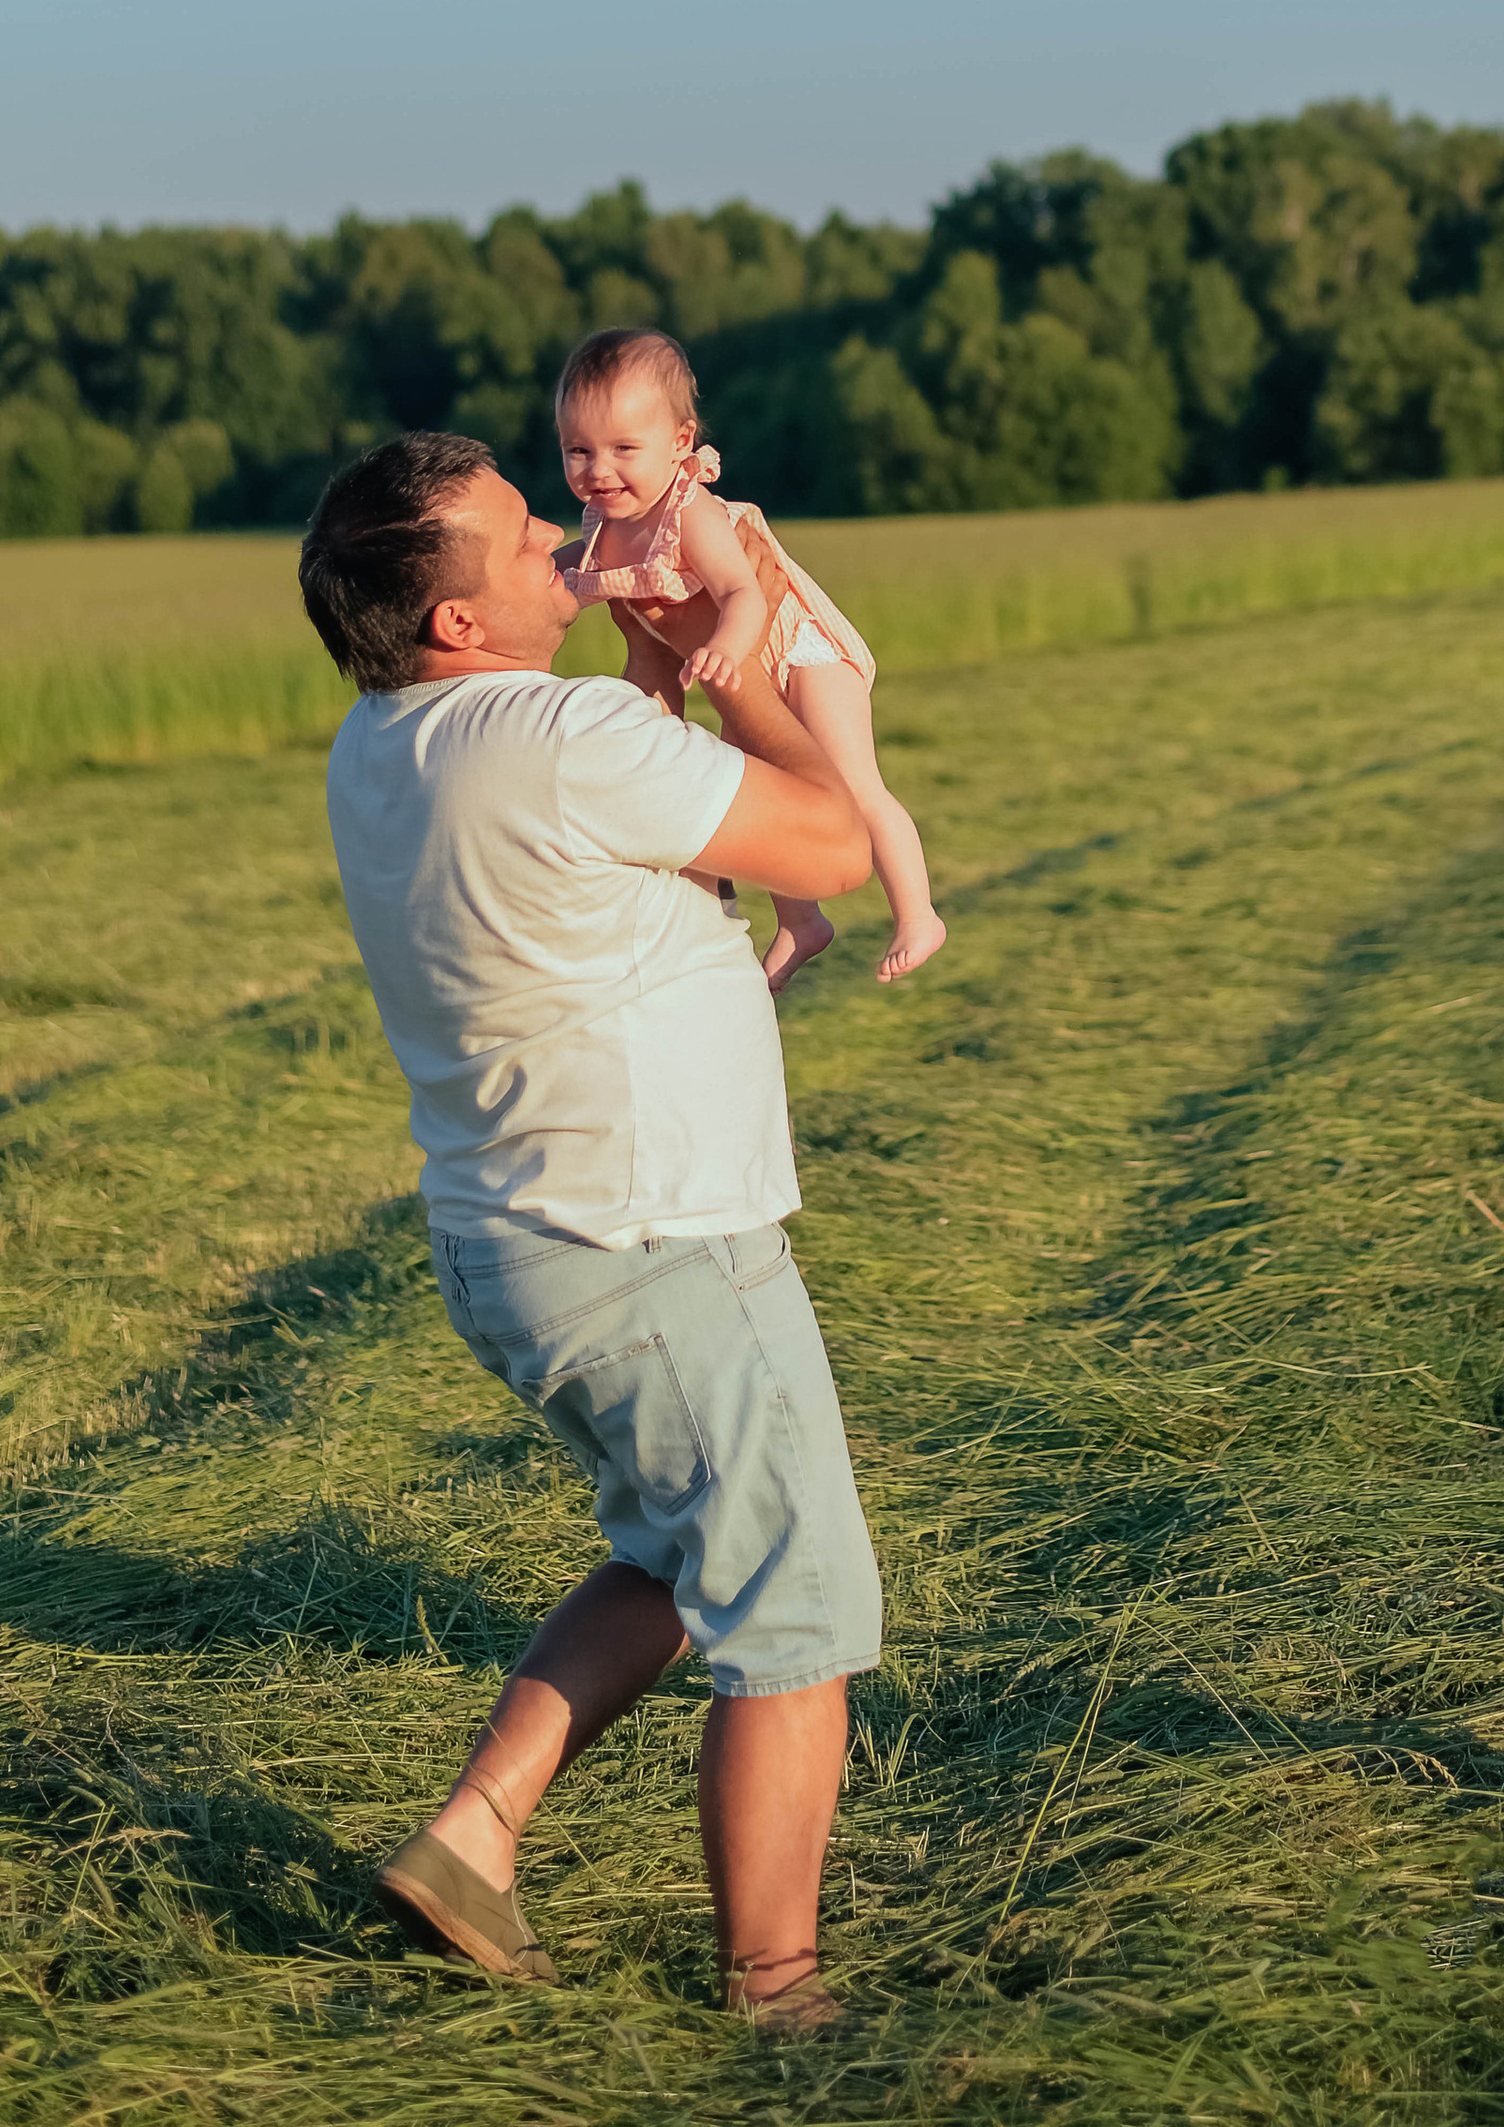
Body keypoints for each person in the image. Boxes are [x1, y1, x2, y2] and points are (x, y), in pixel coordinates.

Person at [300, 430, 884, 2032]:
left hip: (515, 1245)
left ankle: (473, 1836)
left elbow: (612, 798)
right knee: (796, 1613)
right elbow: (837, 843)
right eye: (518, 538)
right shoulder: (548, 735)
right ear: (458, 627)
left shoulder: (385, 742)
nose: (567, 534)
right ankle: (779, 1995)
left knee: (676, 1556)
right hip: (657, 1245)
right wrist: (747, 635)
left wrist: (655, 661)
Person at [557, 327, 946, 993]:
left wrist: (726, 649)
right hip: (737, 674)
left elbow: (745, 592)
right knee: (766, 800)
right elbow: (568, 574)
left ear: (680, 443)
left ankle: (918, 915)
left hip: (797, 648)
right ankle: (802, 922)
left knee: (852, 783)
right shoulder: (604, 524)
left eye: (624, 449)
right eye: (578, 451)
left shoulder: (689, 510)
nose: (599, 471)